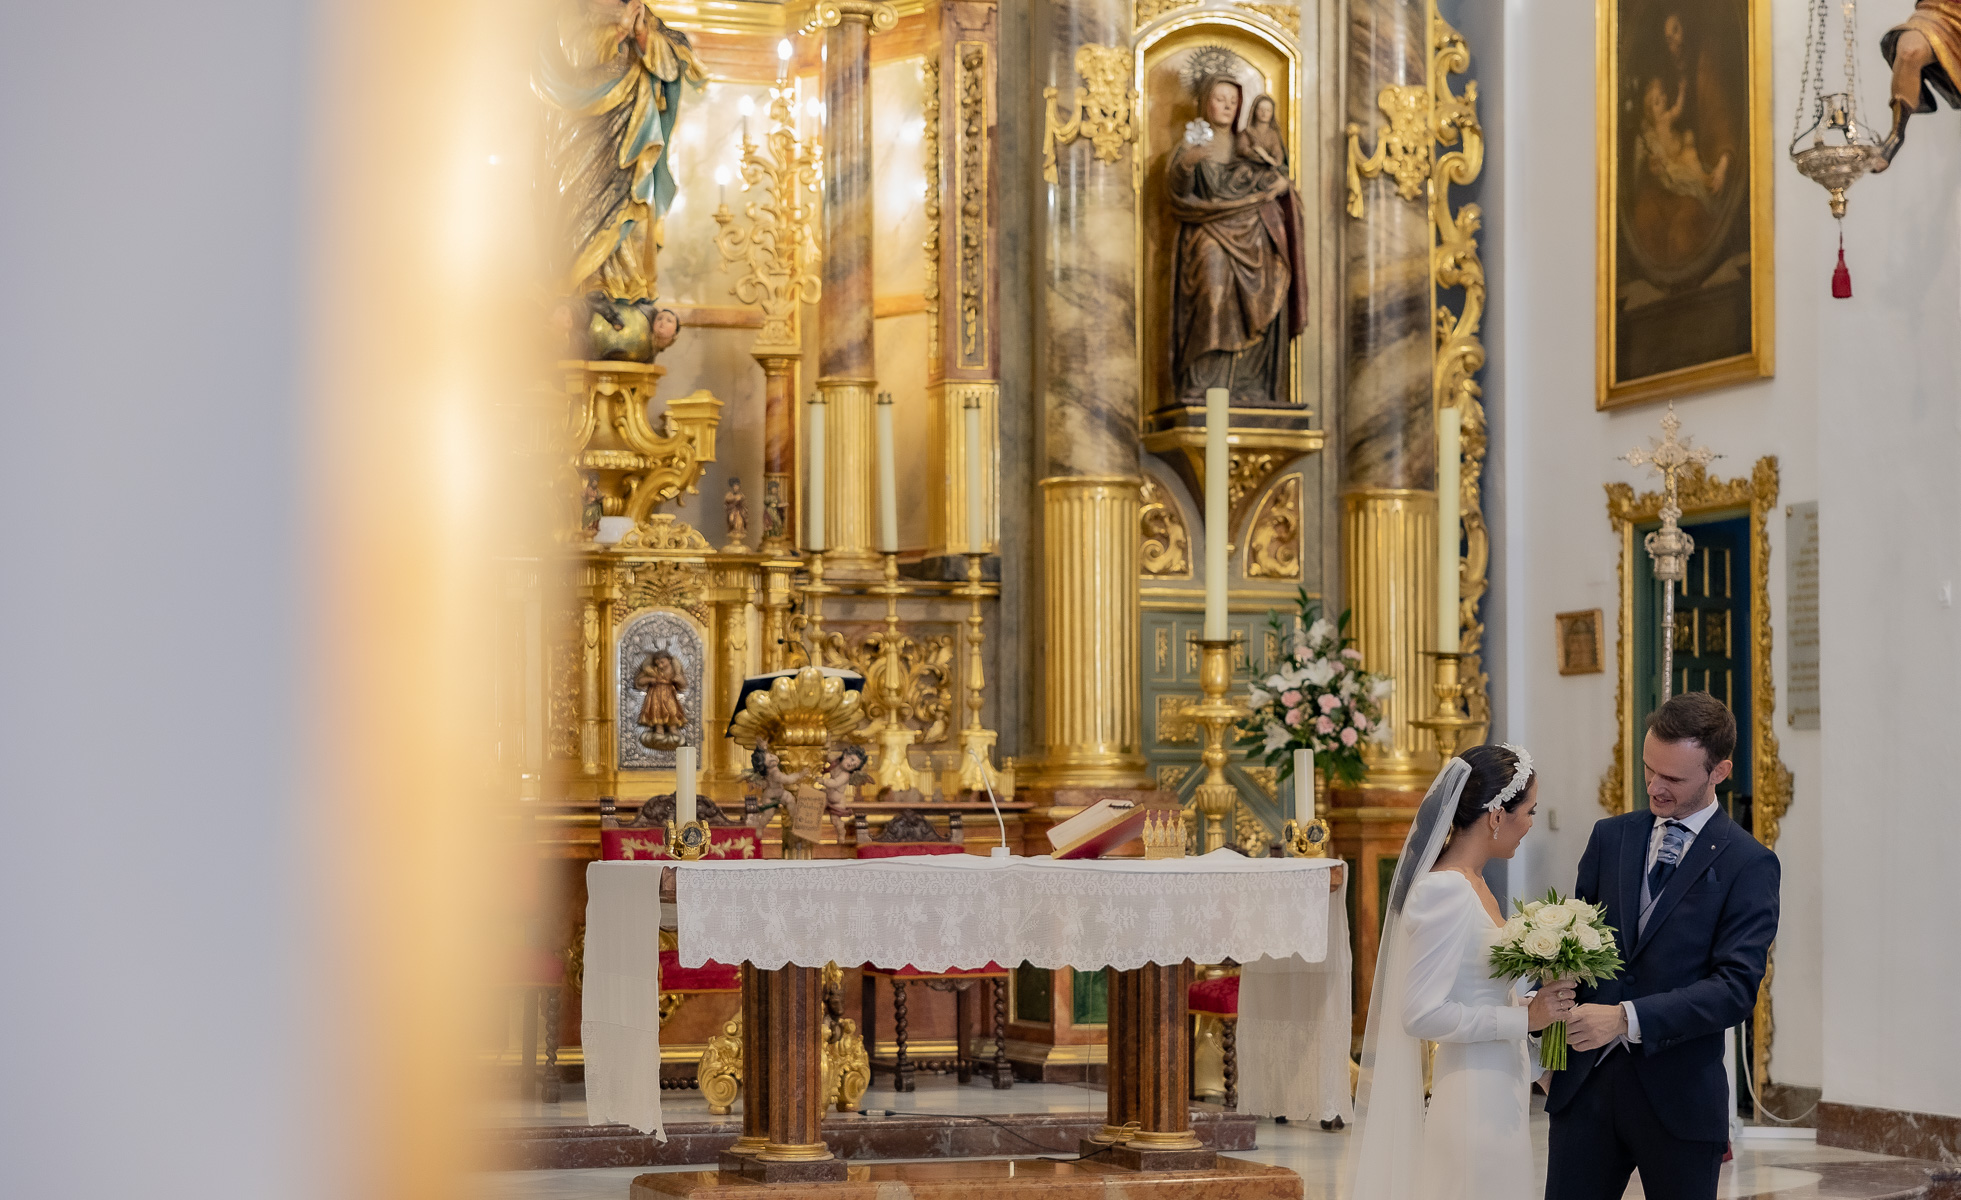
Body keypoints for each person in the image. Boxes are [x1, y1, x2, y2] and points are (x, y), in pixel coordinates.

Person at [1545, 692, 1780, 1200]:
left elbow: (1734, 990)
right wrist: (1549, 1052)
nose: (1655, 787)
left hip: (1680, 1101)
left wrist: (1627, 1017)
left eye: (1673, 778)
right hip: (1584, 1088)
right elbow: (1570, 954)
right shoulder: (1611, 838)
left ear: (1719, 771)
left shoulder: (1749, 863)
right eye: (1650, 770)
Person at [1347, 744, 1575, 1200]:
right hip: (1472, 1102)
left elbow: (1481, 993)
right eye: (1528, 811)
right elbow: (1421, 1014)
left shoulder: (1475, 883)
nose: (1531, 823)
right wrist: (1524, 1020)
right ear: (1496, 816)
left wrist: (1537, 1038)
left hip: (1501, 1095)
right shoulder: (1445, 890)